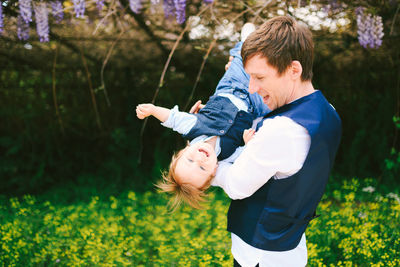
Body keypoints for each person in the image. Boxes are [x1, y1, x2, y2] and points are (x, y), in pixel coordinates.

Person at [208, 16, 342, 267]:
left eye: (260, 77)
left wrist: (207, 158)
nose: (251, 88)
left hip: (259, 255)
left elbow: (237, 186)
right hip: (290, 249)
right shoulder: (328, 111)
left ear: (294, 70)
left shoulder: (281, 130)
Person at [136, 23, 270, 210]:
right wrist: (249, 144)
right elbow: (247, 157)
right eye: (202, 168)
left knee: (240, 63)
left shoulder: (193, 129)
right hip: (253, 105)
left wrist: (152, 110)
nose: (199, 160)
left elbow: (173, 119)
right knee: (273, 103)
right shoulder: (228, 156)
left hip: (231, 87)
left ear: (183, 151)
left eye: (189, 160)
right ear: (214, 171)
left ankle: (247, 40)